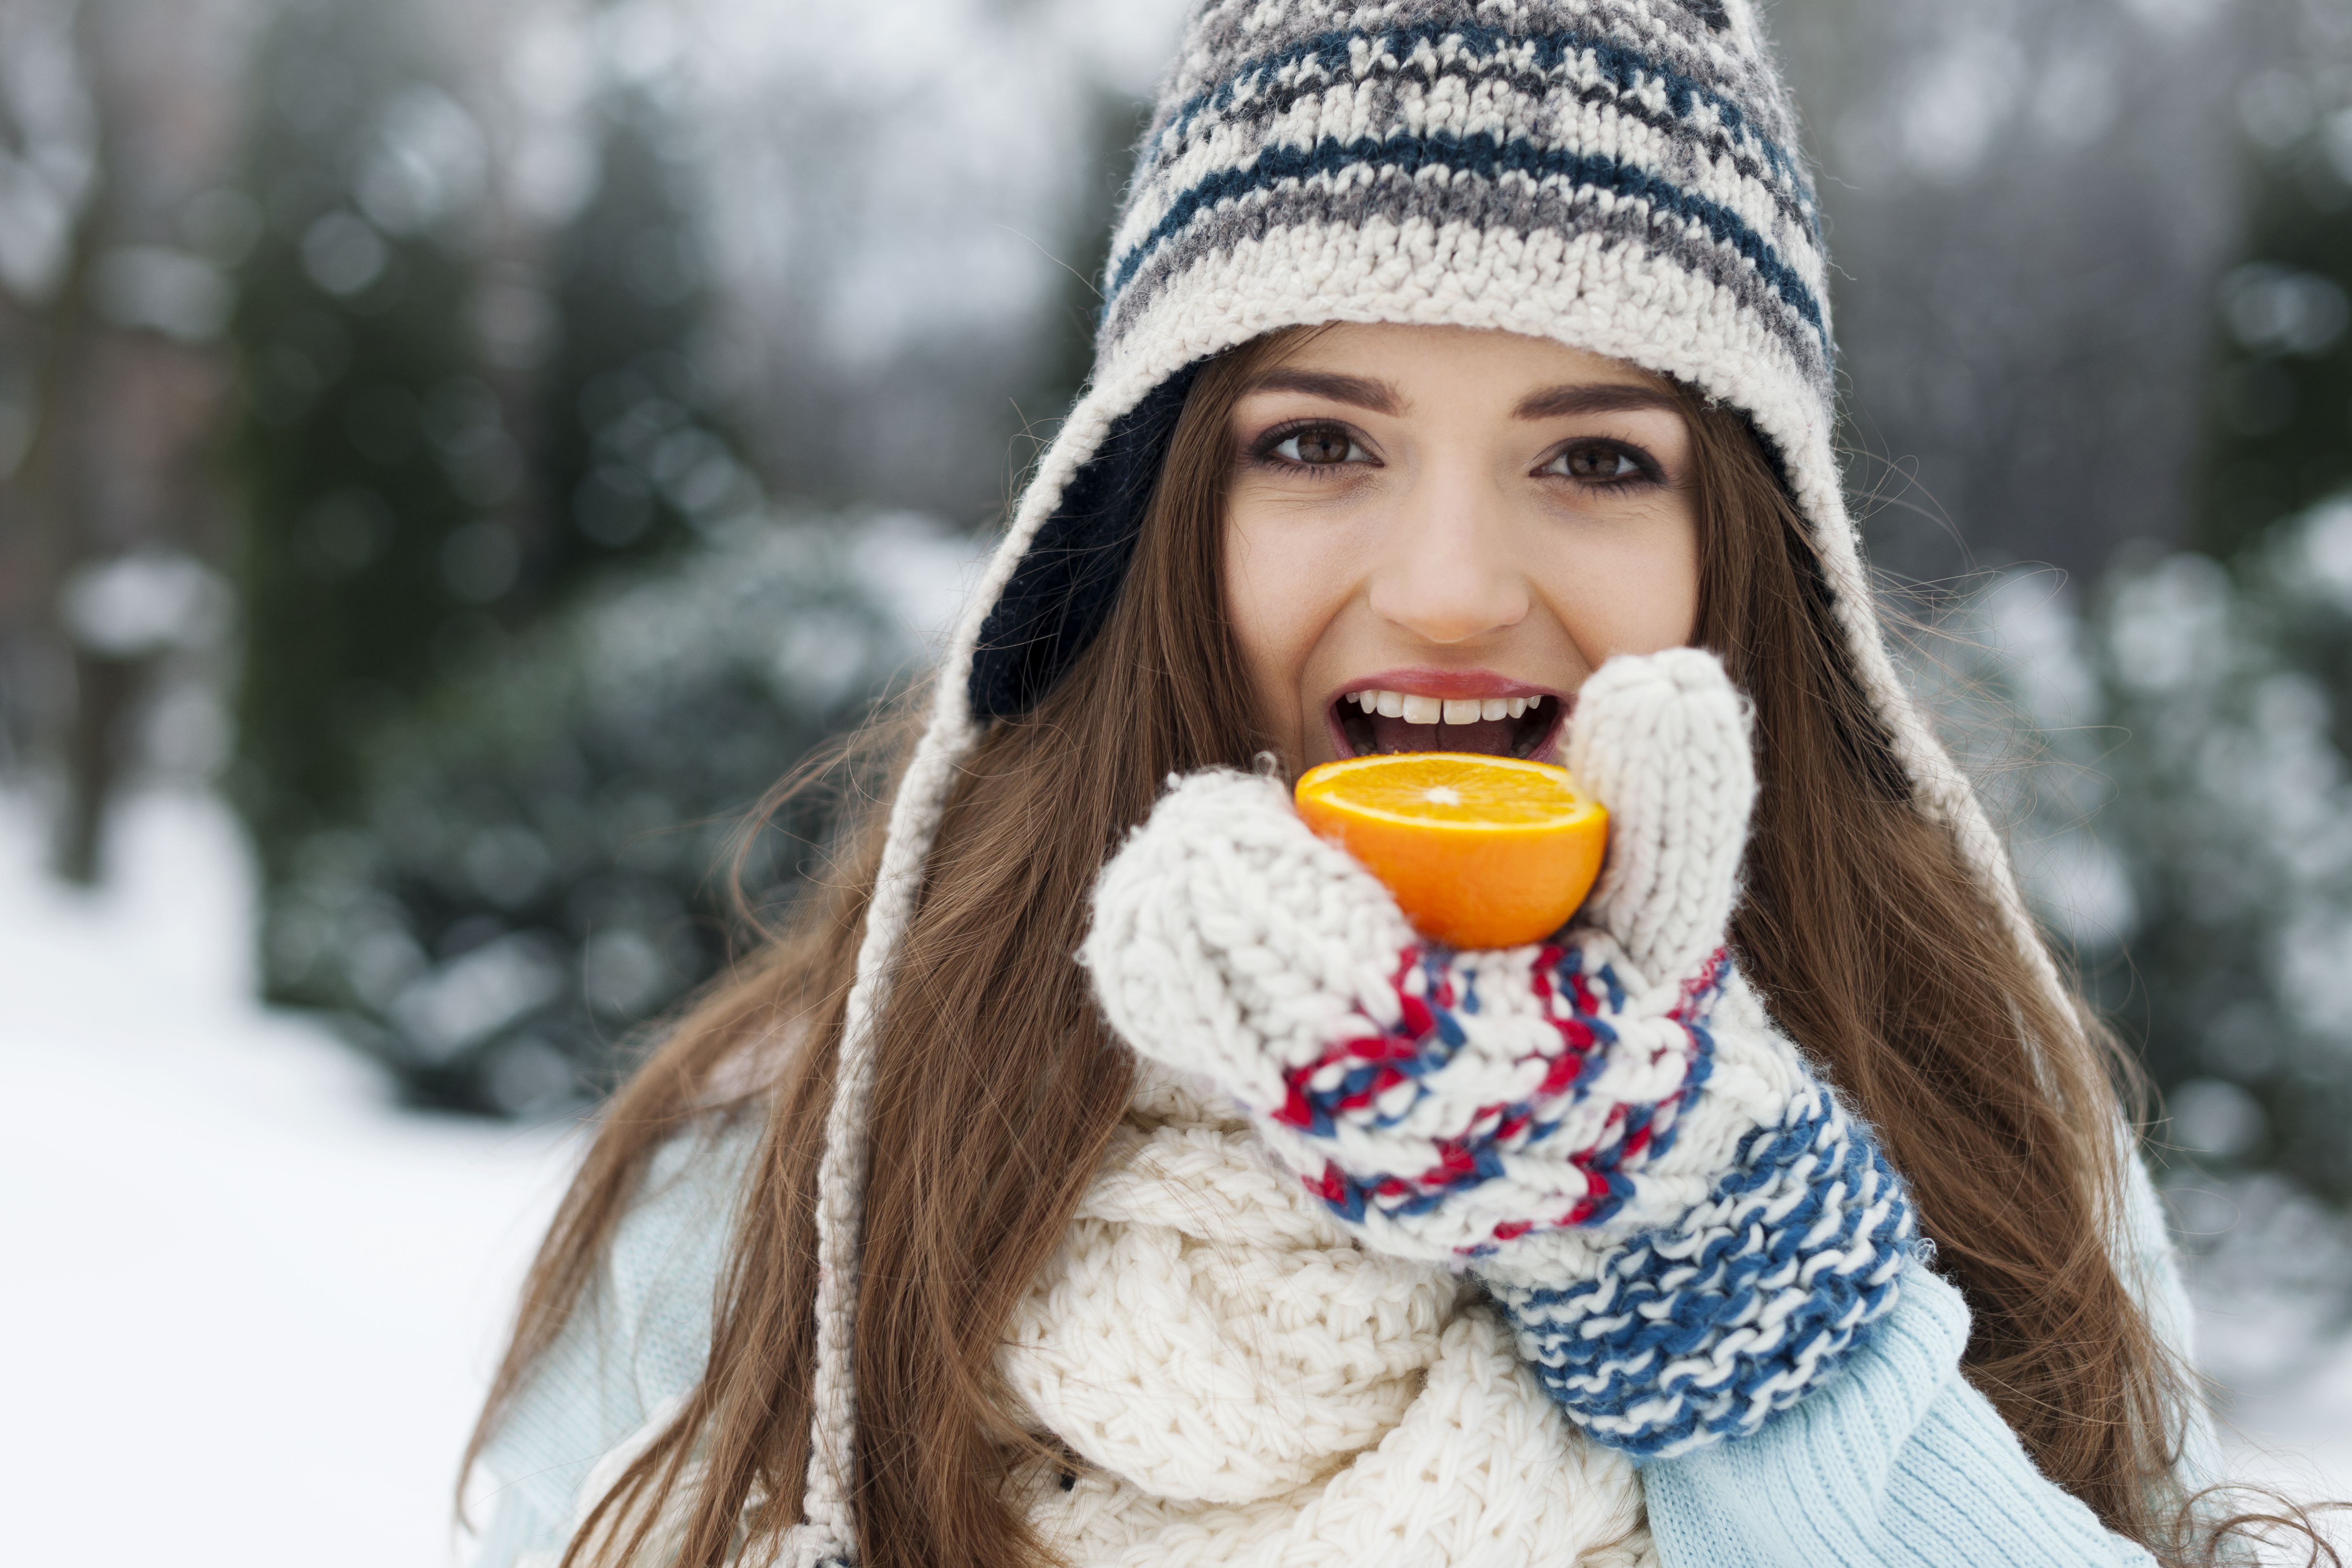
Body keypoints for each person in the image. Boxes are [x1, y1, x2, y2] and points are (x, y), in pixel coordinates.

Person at [461, 4, 2333, 1566]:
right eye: (1317, 440)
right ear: (1151, 516)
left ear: (1747, 557)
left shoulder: (1972, 1117)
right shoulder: (788, 1191)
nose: (1447, 586)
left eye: (1597, 460)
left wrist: (1734, 1284)